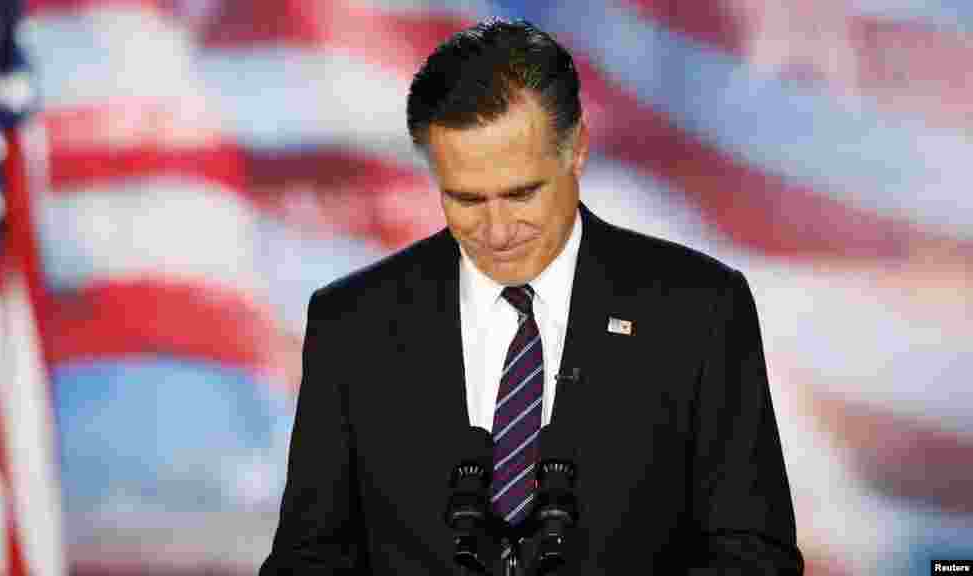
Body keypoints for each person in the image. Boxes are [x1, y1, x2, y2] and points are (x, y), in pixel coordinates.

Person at [260, 18, 804, 575]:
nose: (497, 231)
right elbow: (310, 559)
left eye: (522, 193)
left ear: (578, 150)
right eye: (466, 199)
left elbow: (756, 557)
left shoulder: (699, 310)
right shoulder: (354, 322)